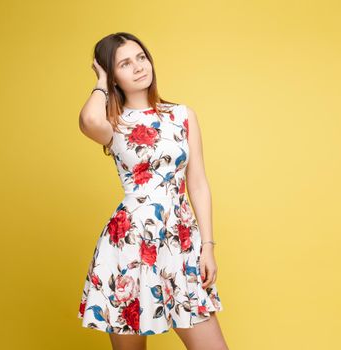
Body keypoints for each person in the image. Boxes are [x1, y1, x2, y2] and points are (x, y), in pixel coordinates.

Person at [76, 32, 228, 350]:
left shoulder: (182, 115)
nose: (138, 67)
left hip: (181, 240)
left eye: (141, 57)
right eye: (124, 64)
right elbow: (88, 119)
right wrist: (101, 79)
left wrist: (208, 246)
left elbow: (198, 182)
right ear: (113, 75)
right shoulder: (113, 123)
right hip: (128, 245)